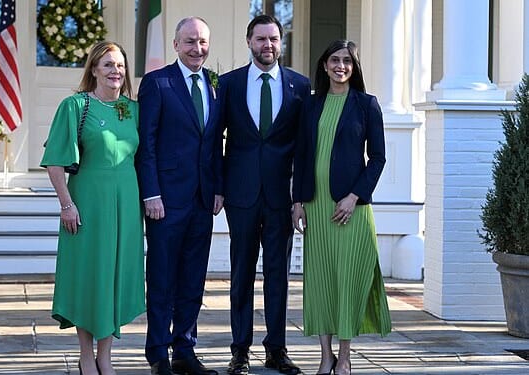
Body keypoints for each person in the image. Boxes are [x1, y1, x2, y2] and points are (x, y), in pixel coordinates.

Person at [41, 41, 145, 375]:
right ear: (94, 70)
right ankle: (86, 355)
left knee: (115, 275)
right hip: (87, 202)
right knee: (89, 277)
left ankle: (106, 355)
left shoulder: (131, 109)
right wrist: (66, 204)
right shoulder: (75, 105)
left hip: (126, 205)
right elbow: (55, 162)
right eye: (108, 65)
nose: (116, 71)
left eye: (120, 66)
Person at [291, 40, 392, 375]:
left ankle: (345, 356)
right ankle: (325, 356)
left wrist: (354, 197)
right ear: (324, 65)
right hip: (317, 206)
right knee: (320, 280)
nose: (340, 66)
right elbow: (302, 155)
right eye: (334, 60)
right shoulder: (311, 104)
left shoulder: (366, 105)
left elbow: (378, 158)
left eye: (347, 61)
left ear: (354, 67)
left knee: (347, 280)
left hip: (351, 209)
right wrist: (298, 201)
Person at [219, 14, 310, 375]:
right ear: (248, 42)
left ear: (281, 42)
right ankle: (239, 350)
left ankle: (277, 349)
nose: (267, 45)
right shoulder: (228, 84)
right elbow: (214, 141)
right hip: (239, 195)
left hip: (280, 197)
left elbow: (304, 148)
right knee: (241, 272)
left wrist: (300, 197)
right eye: (260, 39)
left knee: (278, 274)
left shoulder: (300, 87)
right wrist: (216, 188)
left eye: (273, 39)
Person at [137, 17, 224, 375]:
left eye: (202, 42)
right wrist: (151, 193)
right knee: (162, 278)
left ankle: (185, 349)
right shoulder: (158, 83)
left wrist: (218, 186)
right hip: (166, 201)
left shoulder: (215, 85)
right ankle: (158, 352)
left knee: (192, 278)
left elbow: (216, 142)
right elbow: (148, 144)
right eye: (189, 42)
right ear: (175, 45)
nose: (197, 49)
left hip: (203, 199)